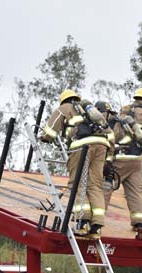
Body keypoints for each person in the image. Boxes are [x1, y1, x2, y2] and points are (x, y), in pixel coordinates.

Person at [40, 89, 115, 239]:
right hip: (101, 145)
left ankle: (82, 221)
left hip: (81, 146)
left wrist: (45, 138)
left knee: (78, 183)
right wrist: (109, 158)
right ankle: (97, 226)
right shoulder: (89, 110)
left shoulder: (65, 108)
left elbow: (51, 129)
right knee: (95, 184)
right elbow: (110, 135)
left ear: (63, 100)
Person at [97, 101, 142, 233]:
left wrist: (106, 161)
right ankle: (139, 223)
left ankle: (97, 219)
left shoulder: (116, 122)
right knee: (135, 192)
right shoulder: (135, 127)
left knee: (106, 186)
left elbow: (110, 141)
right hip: (136, 162)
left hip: (120, 160)